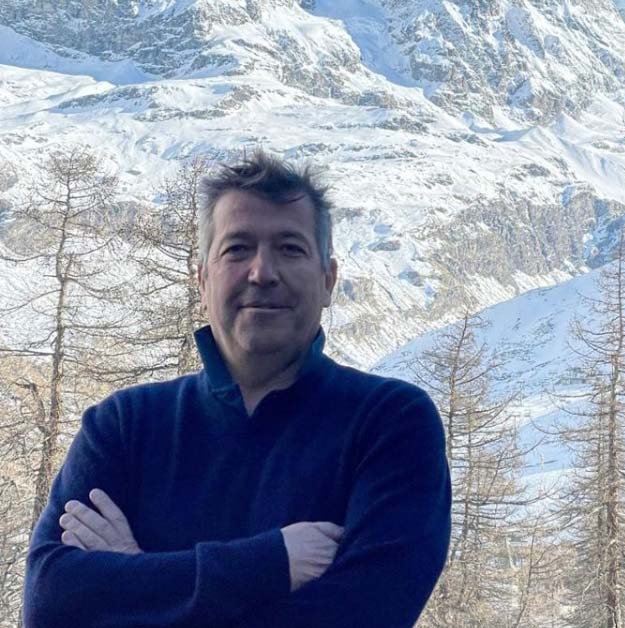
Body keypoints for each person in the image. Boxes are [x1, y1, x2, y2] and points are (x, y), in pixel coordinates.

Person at [22, 150, 451, 627]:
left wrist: (137, 574)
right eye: (238, 249)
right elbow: (48, 602)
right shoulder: (123, 425)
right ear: (203, 280)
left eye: (290, 248)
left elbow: (363, 616)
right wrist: (267, 563)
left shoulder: (389, 423)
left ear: (328, 280)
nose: (262, 272)